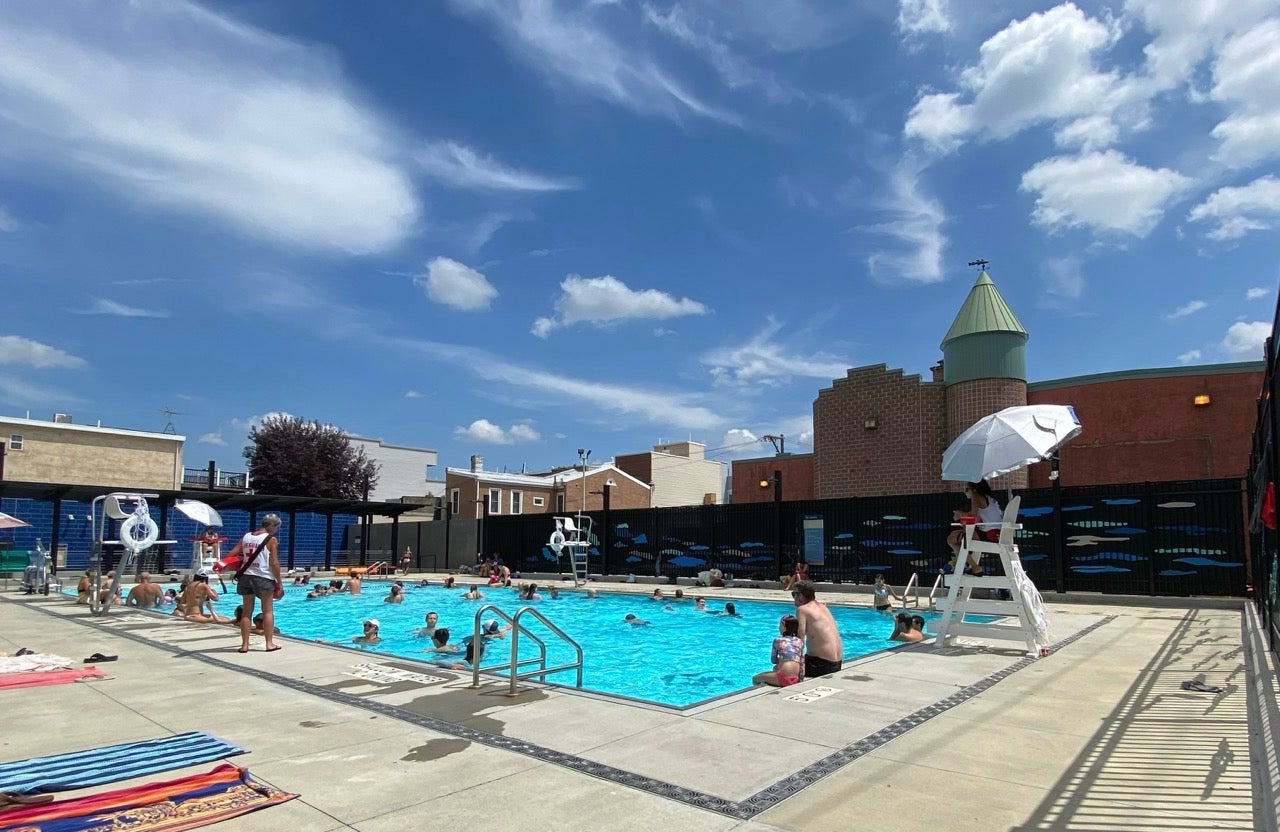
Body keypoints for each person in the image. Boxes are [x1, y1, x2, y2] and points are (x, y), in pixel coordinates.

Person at [226, 513, 283, 653]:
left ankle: (244, 645)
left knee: (246, 611)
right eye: (276, 527)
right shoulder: (271, 539)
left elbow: (230, 555)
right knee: (267, 611)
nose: (276, 530)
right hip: (263, 577)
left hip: (246, 576)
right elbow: (274, 563)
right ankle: (269, 644)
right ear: (271, 526)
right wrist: (279, 582)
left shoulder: (246, 537)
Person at [947, 480, 1001, 576]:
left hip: (988, 535)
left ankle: (972, 566)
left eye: (967, 489)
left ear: (974, 489)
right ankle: (971, 564)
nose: (965, 492)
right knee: (959, 535)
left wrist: (960, 514)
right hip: (996, 534)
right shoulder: (989, 499)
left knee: (951, 539)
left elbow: (973, 515)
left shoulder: (976, 496)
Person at [792, 581, 843, 679]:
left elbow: (799, 640)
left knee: (783, 668)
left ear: (801, 595)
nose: (794, 597)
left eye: (795, 594)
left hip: (821, 665)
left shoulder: (802, 610)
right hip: (837, 664)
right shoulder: (823, 607)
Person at [752, 614, 804, 687]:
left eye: (780, 625)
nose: (779, 627)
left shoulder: (778, 640)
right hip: (795, 678)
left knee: (755, 678)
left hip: (783, 678)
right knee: (776, 668)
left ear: (784, 627)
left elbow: (773, 660)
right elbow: (801, 663)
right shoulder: (799, 641)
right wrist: (800, 680)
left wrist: (781, 660)